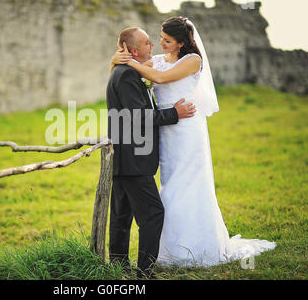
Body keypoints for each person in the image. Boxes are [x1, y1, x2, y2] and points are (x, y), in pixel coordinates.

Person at [111, 17, 276, 267]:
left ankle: (200, 247)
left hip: (186, 128)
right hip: (165, 130)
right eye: (159, 38)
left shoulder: (192, 61)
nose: (160, 43)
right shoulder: (157, 60)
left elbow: (159, 78)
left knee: (190, 185)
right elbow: (135, 73)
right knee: (172, 188)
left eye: (167, 40)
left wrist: (129, 61)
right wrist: (116, 60)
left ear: (181, 42)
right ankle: (172, 249)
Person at [106, 27, 196, 277]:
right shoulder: (126, 76)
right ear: (134, 50)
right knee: (153, 214)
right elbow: (138, 117)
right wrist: (174, 114)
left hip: (124, 156)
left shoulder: (125, 71)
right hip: (134, 157)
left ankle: (117, 266)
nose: (152, 46)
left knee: (122, 216)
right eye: (147, 43)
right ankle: (144, 273)